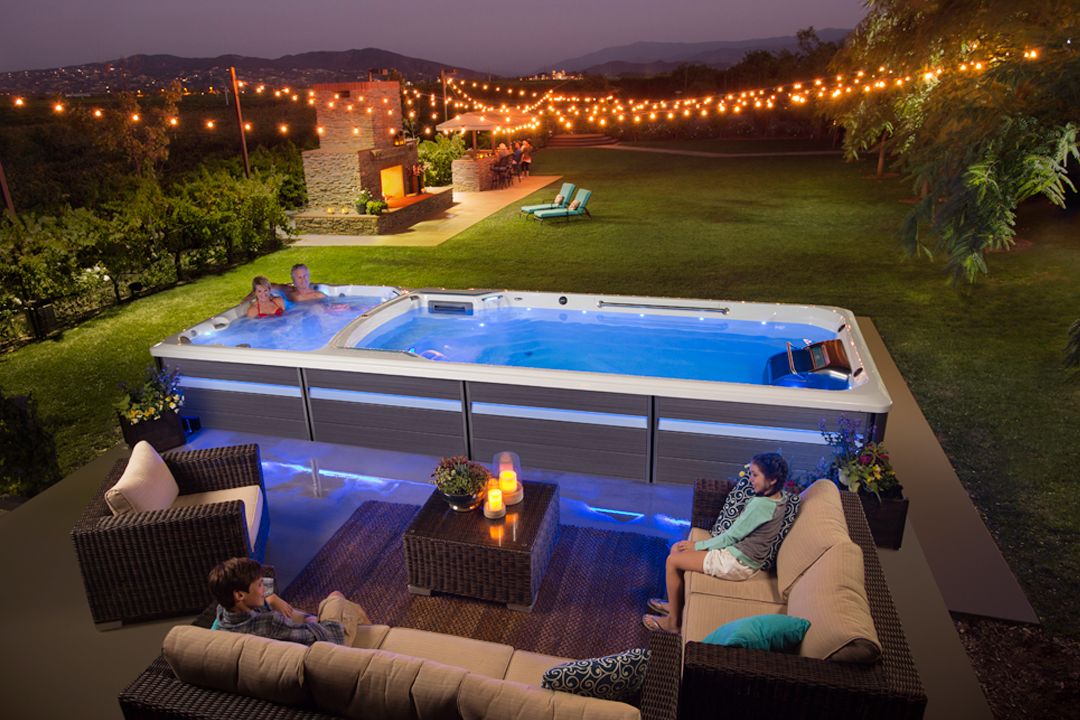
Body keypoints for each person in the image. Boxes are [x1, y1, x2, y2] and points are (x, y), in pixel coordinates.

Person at [642, 453, 795, 633]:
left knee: (673, 560)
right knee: (676, 549)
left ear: (772, 480)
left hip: (737, 562)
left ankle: (673, 623)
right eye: (750, 473)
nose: (750, 479)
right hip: (742, 556)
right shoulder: (780, 498)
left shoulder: (761, 507)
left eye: (755, 475)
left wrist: (697, 545)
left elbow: (731, 537)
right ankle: (675, 605)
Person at [209, 557, 371, 647]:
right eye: (259, 585)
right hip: (329, 645)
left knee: (309, 614)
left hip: (290, 633)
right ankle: (374, 639)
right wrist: (313, 622)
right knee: (337, 598)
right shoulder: (269, 623)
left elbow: (266, 586)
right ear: (240, 595)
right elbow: (326, 638)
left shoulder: (223, 613)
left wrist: (271, 597)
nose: (264, 586)